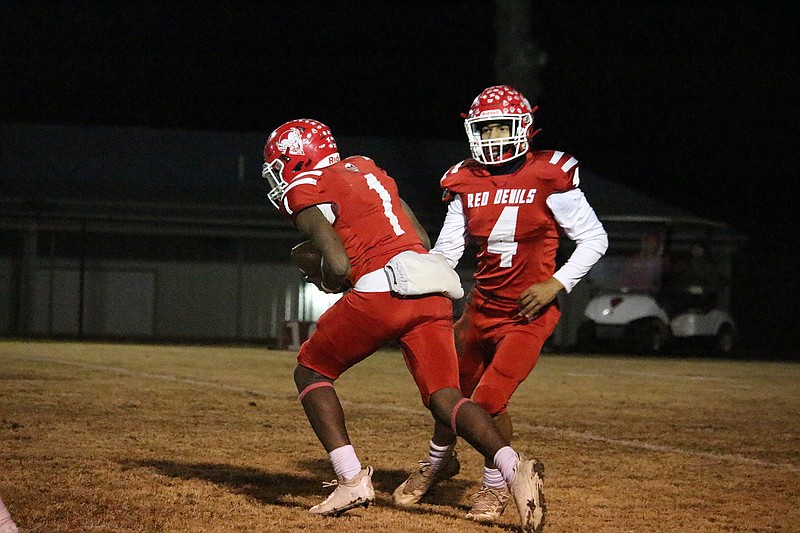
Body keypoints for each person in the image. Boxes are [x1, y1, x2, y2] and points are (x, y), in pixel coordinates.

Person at [262, 118, 547, 531]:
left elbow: (339, 265)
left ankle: (350, 478)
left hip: (383, 289)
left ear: (294, 157)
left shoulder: (302, 188)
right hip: (429, 283)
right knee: (444, 397)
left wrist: (320, 273)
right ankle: (511, 466)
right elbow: (419, 236)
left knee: (310, 369)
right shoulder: (365, 167)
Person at [393, 86, 608, 523]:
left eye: (500, 126)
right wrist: (409, 273)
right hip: (481, 308)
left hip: (528, 314)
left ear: (524, 128)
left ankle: (495, 486)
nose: (492, 137)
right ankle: (438, 461)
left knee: (488, 401)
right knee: (448, 395)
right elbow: (449, 251)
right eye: (484, 128)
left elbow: (594, 238)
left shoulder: (550, 173)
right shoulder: (464, 180)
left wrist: (556, 283)